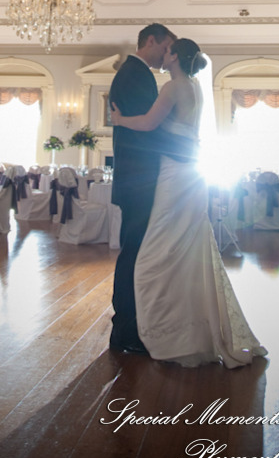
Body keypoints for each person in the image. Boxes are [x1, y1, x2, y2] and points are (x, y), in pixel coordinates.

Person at [111, 38, 267, 368]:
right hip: (190, 173)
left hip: (172, 174)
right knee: (187, 242)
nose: (163, 54)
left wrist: (120, 120)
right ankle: (190, 321)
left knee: (156, 250)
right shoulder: (195, 86)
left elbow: (150, 124)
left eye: (168, 50)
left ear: (175, 56)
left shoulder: (172, 87)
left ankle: (166, 326)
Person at [108, 23, 177, 353]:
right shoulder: (136, 74)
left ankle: (132, 327)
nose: (168, 55)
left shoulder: (136, 73)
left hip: (138, 177)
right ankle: (124, 331)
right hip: (139, 179)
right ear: (152, 40)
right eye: (166, 47)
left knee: (137, 251)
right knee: (134, 253)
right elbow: (149, 129)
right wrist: (186, 151)